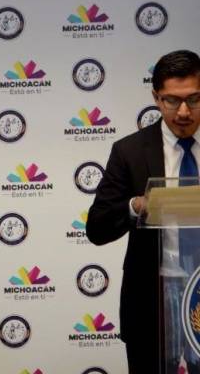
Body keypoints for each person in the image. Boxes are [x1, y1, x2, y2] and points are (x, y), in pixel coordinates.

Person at [87, 50, 200, 373]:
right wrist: (136, 207)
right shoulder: (130, 151)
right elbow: (97, 228)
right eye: (171, 100)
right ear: (155, 98)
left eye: (194, 100)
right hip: (153, 303)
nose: (183, 112)